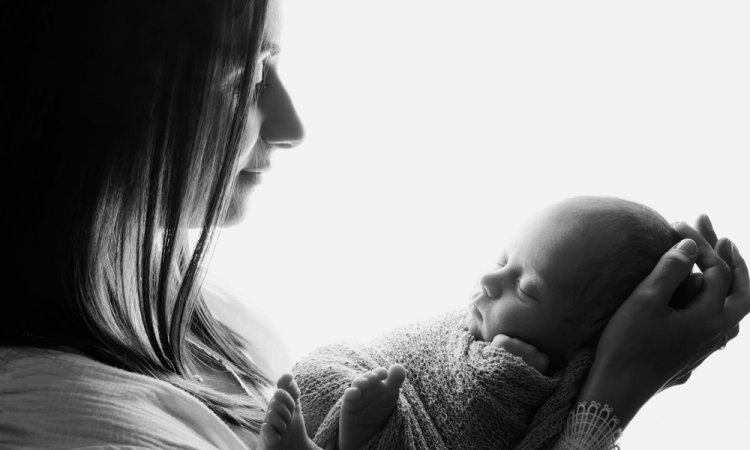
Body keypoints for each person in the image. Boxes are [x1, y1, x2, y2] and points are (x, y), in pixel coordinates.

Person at [0, 1, 747, 449]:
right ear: (93, 103)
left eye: (275, 62)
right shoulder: (68, 425)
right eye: (245, 78)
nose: (290, 126)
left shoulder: (198, 312)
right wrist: (610, 393)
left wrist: (593, 340)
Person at [290, 196, 683, 450]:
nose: (489, 282)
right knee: (329, 374)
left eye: (525, 289)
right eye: (502, 262)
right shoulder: (471, 323)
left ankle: (365, 439)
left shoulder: (559, 384)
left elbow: (478, 426)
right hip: (368, 370)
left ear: (586, 338)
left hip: (409, 426)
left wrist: (505, 382)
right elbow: (417, 351)